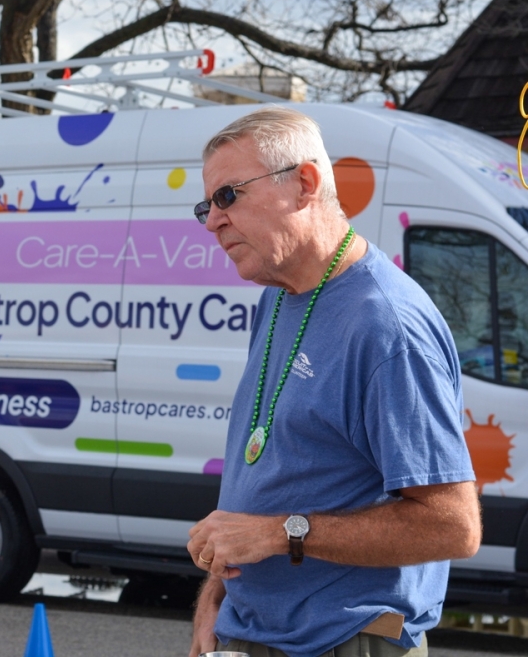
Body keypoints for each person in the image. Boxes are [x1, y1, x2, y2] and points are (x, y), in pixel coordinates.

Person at [186, 107, 481, 657]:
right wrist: (216, 598)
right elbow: (268, 483)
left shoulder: (386, 324)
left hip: (346, 642)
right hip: (254, 634)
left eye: (228, 196)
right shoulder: (277, 296)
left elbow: (452, 526)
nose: (212, 221)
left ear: (305, 183)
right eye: (206, 205)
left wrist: (283, 534)